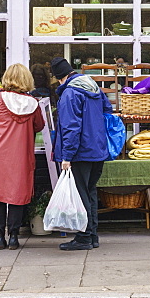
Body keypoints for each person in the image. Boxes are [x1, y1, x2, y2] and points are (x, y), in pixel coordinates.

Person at [0, 64, 45, 250]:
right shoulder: (33, 103)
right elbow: (39, 126)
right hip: (20, 155)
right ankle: (14, 236)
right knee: (17, 194)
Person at [52, 56, 112, 251]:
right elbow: (107, 110)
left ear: (60, 77)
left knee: (80, 194)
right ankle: (92, 235)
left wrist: (67, 156)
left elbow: (70, 127)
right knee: (90, 192)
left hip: (80, 152)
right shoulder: (93, 86)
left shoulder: (70, 93)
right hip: (97, 149)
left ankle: (84, 237)